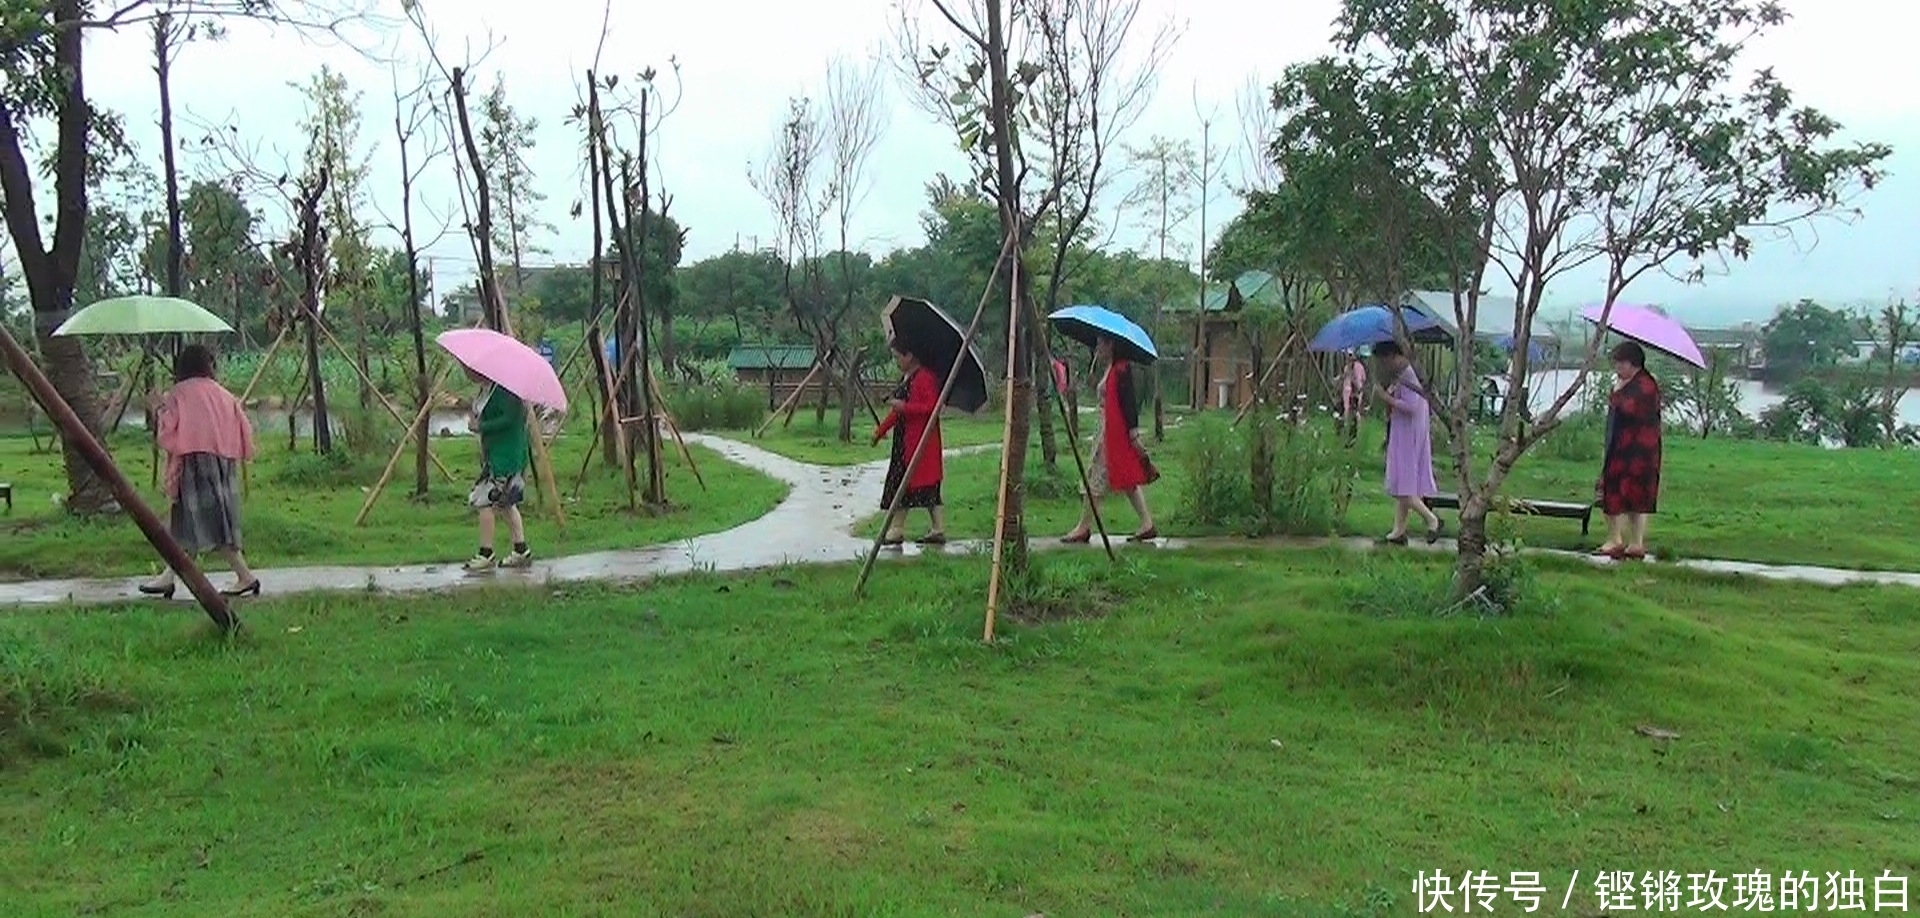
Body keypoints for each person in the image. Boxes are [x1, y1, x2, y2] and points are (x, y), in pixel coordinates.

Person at [139, 344, 260, 598]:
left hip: (194, 465)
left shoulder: (179, 394)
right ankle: (169, 576)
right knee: (190, 522)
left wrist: (157, 408)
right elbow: (243, 427)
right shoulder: (224, 394)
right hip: (223, 463)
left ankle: (244, 575)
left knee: (204, 521)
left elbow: (168, 433)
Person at [1062, 335, 1157, 543]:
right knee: (1126, 480)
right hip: (1105, 429)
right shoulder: (1112, 367)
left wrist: (1133, 433)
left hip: (1113, 432)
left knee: (1096, 477)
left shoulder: (1121, 369)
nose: (1097, 347)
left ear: (1111, 344)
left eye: (1100, 343)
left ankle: (1083, 527)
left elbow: (1129, 403)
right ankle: (1147, 523)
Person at [871, 339, 946, 546]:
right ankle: (905, 529)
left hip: (921, 443)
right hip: (905, 442)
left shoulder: (925, 378)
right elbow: (897, 412)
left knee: (923, 487)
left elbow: (932, 408)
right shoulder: (908, 379)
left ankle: (928, 529)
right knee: (902, 485)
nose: (896, 361)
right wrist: (880, 431)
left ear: (910, 355)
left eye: (898, 356)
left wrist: (906, 407)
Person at [1372, 340, 1444, 545]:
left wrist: (1385, 397)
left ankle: (1432, 520)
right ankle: (1398, 531)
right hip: (1405, 431)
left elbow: (1411, 406)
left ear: (1392, 356)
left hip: (1408, 434)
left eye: (1383, 361)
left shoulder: (1409, 374)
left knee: (1401, 488)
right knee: (1404, 481)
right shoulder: (1403, 374)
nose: (1382, 366)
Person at [1596, 341, 1662, 560]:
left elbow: (1628, 408)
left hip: (1639, 450)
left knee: (1637, 495)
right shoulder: (1629, 383)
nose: (1617, 369)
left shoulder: (1645, 385)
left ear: (1631, 363)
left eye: (1620, 364)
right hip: (1622, 446)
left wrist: (1616, 392)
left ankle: (1635, 542)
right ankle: (1615, 538)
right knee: (1612, 490)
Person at [464, 369, 532, 571]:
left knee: (484, 500)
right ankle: (521, 549)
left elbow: (510, 419)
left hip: (507, 456)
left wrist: (482, 426)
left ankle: (486, 553)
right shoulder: (487, 389)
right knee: (506, 503)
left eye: (469, 370)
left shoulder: (507, 391)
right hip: (493, 455)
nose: (467, 373)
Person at [1338, 352, 1369, 442]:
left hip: (1354, 392)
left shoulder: (1356, 367)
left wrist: (1354, 380)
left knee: (1352, 412)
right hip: (1349, 391)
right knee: (1348, 410)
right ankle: (1346, 431)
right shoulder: (1347, 367)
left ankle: (1352, 433)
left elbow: (1360, 381)